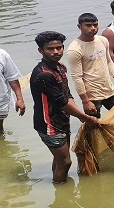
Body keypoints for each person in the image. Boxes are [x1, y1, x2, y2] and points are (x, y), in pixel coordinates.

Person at [30, 31, 98, 184]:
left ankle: (59, 188)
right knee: (65, 162)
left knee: (60, 159)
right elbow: (61, 102)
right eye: (50, 49)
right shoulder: (43, 75)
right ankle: (61, 191)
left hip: (61, 120)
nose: (56, 52)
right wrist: (84, 117)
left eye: (59, 48)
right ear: (41, 50)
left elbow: (67, 95)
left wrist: (81, 114)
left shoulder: (60, 68)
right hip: (49, 125)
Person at [66, 13, 114, 118]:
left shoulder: (102, 40)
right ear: (79, 27)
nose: (93, 28)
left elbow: (109, 62)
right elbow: (77, 78)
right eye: (88, 25)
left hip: (109, 91)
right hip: (92, 96)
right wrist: (85, 101)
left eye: (95, 25)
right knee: (94, 125)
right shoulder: (75, 49)